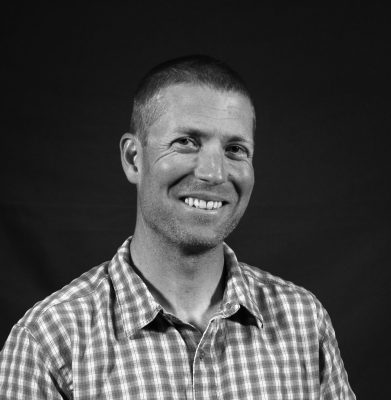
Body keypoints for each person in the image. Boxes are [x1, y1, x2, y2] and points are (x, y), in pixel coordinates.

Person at [0, 55, 356, 399]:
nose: (214, 173)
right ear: (133, 159)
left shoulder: (305, 322)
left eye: (235, 149)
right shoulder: (48, 341)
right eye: (186, 142)